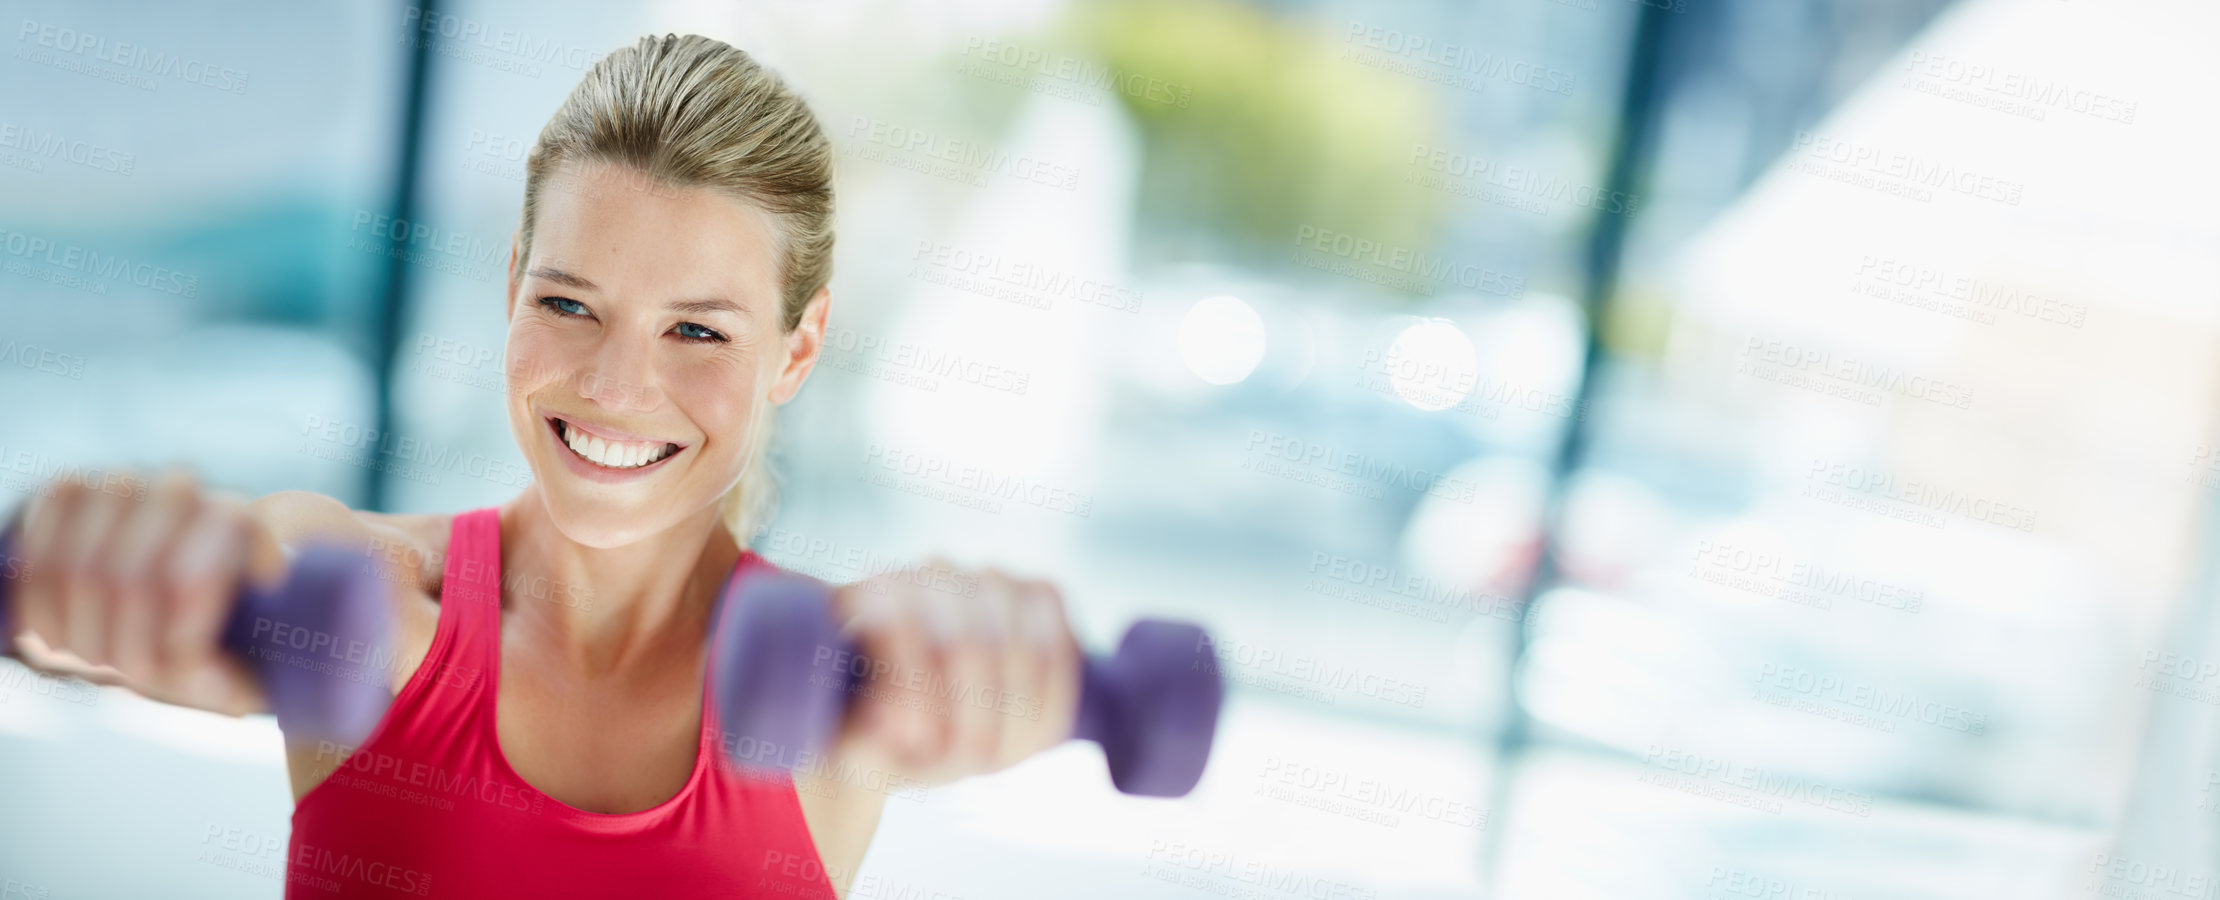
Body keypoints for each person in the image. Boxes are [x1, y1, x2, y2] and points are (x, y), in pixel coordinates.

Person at [0, 33, 1081, 899]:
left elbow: (991, 684)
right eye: (569, 304)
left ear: (797, 349)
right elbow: (66, 610)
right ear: (513, 282)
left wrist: (1022, 668)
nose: (613, 386)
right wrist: (67, 560)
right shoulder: (358, 596)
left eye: (697, 332)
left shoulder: (842, 687)